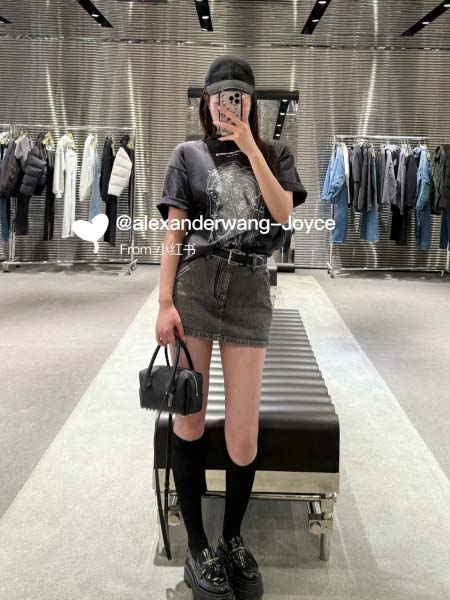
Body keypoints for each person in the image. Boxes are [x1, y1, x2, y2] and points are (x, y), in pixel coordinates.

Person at [155, 54, 307, 600]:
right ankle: (198, 545)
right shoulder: (187, 155)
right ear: (207, 102)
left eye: (239, 97)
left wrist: (249, 146)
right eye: (221, 97)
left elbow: (283, 215)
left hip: (248, 290)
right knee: (190, 419)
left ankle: (233, 538)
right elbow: (175, 233)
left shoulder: (275, 153)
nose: (229, 105)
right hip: (195, 288)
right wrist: (163, 302)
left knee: (243, 432)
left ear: (251, 102)